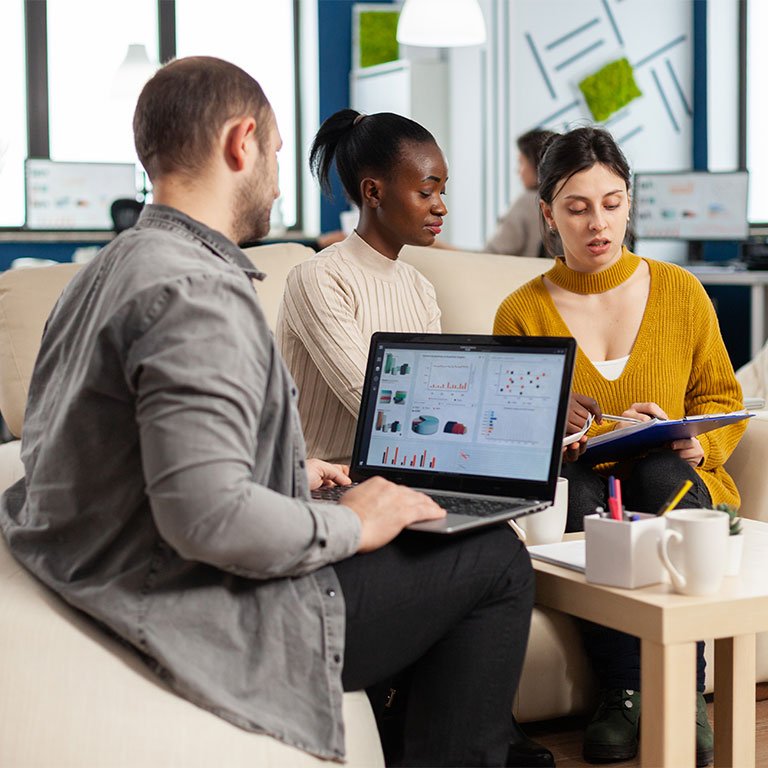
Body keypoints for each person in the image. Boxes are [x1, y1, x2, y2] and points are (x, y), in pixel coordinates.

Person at [0, 56, 541, 767]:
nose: (280, 181)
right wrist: (352, 521)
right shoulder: (197, 293)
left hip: (101, 561)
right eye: (278, 155)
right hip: (192, 601)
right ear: (241, 143)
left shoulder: (103, 270)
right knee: (496, 560)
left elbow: (107, 445)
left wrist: (288, 470)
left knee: (434, 533)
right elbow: (207, 518)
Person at [493, 126, 746, 766]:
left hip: (675, 478)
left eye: (611, 203)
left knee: (659, 474)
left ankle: (684, 689)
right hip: (585, 487)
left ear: (629, 202)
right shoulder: (521, 312)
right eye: (577, 208)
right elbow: (509, 435)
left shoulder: (680, 290)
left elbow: (721, 397)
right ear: (548, 214)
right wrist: (554, 432)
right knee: (579, 492)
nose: (597, 224)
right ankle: (625, 688)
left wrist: (699, 446)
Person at [276, 110, 444, 464]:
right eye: (426, 192)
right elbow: (374, 402)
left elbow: (433, 400)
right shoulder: (319, 278)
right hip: (323, 480)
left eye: (442, 191)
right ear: (373, 192)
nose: (441, 207)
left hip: (398, 471)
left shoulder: (421, 288)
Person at [485, 129, 558, 258]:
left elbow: (490, 255)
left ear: (536, 164)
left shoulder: (528, 201)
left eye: (521, 162)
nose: (518, 171)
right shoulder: (559, 201)